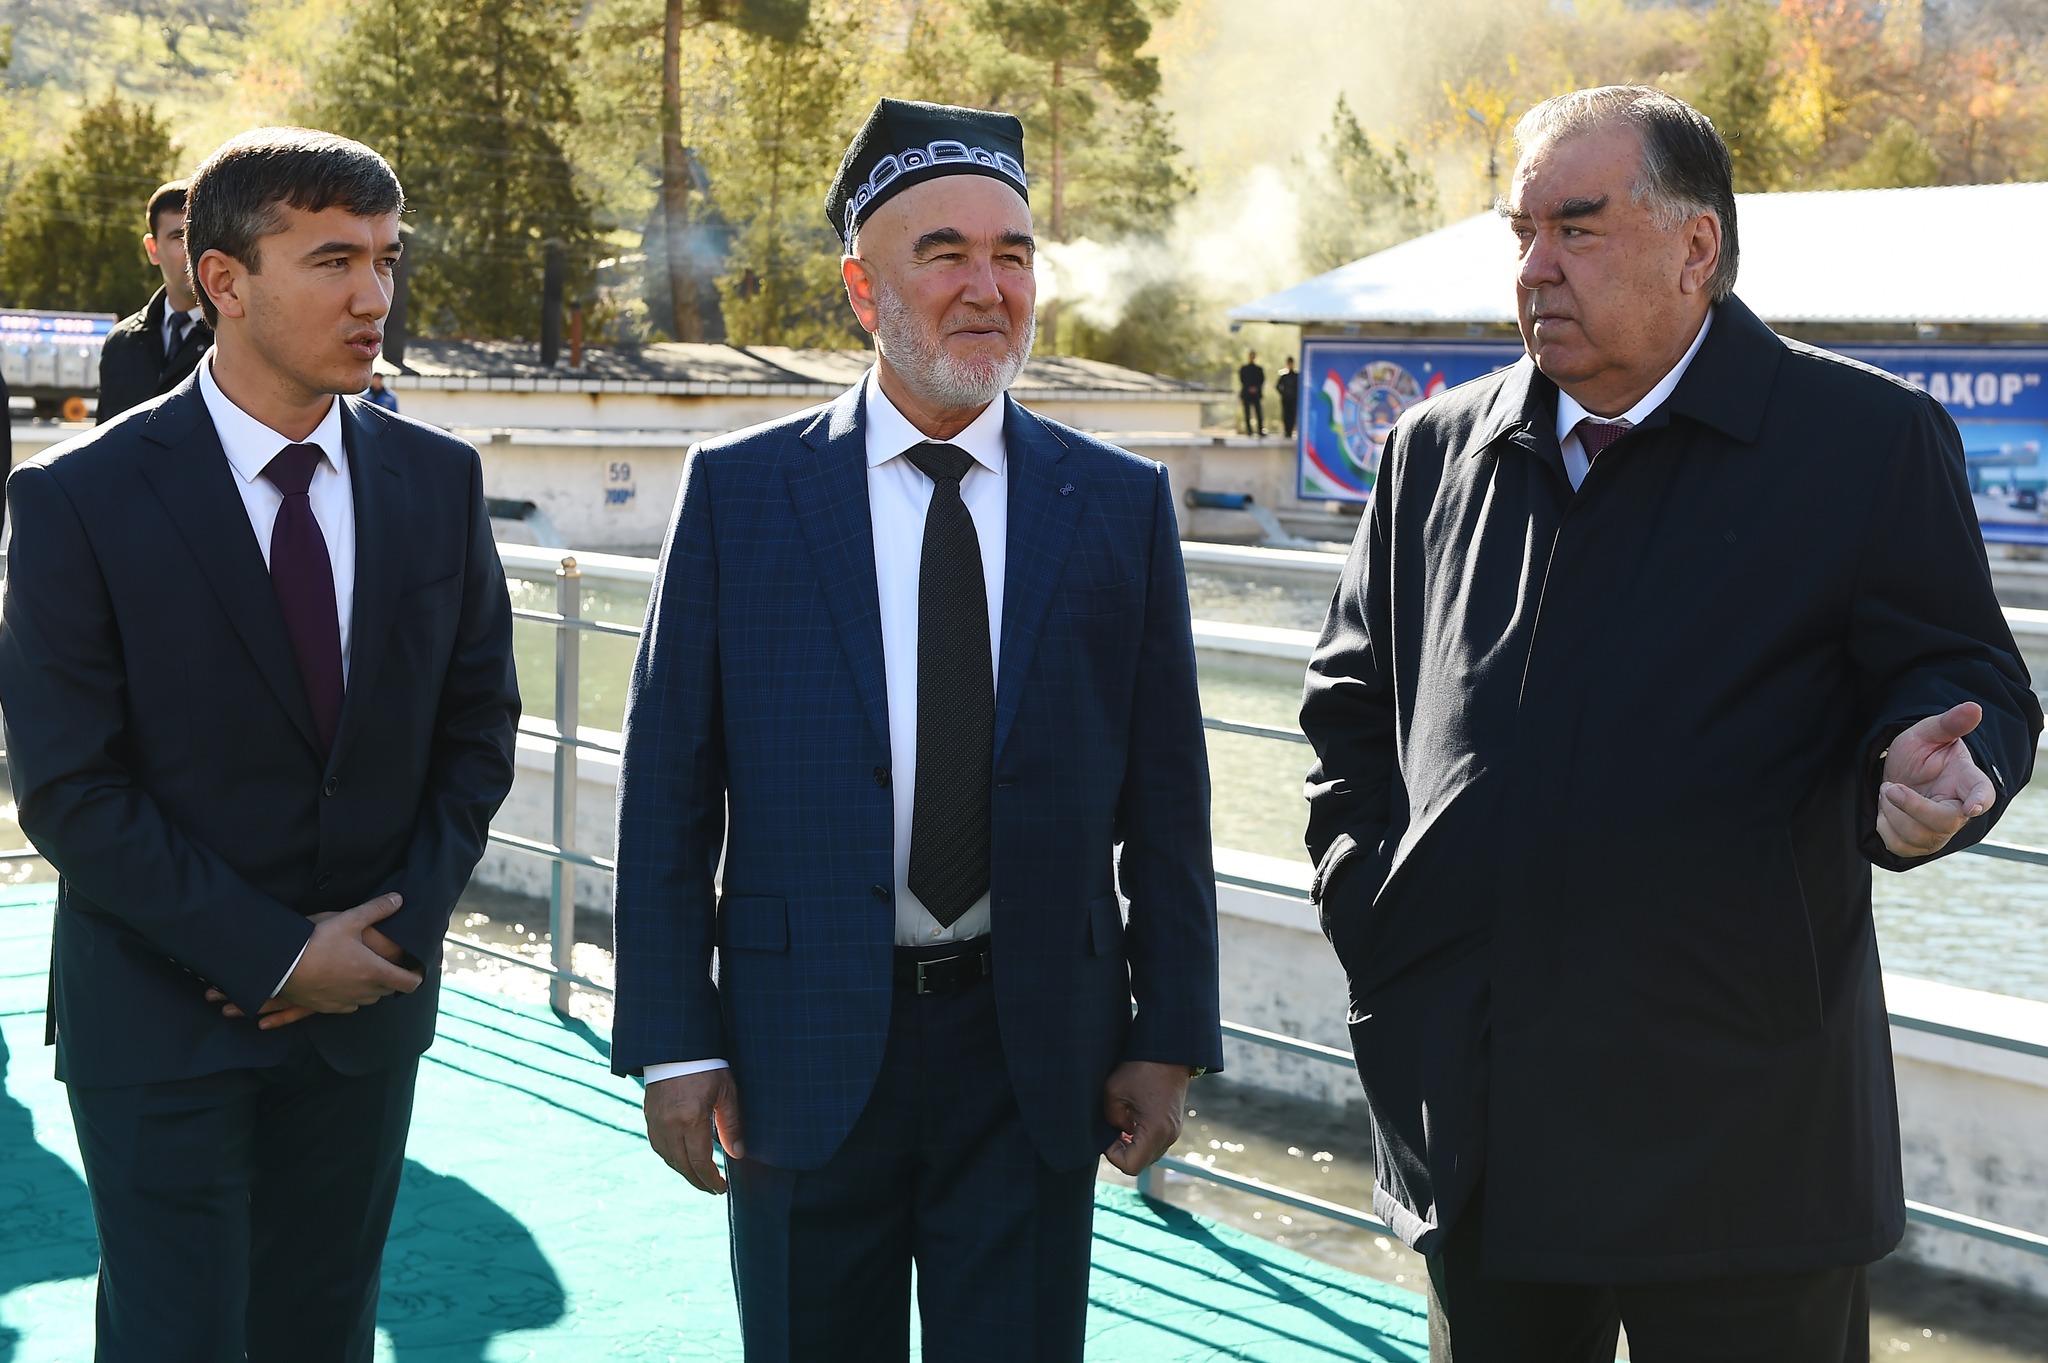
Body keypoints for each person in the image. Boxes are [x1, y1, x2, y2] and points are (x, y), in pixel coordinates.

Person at [1299, 85, 2040, 1363]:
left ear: (1695, 248)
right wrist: (1378, 921)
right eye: (1521, 232)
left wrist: (1938, 771)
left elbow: (1961, 673)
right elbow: (1349, 716)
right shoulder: (1431, 451)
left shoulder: (1861, 440)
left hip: (1742, 1139)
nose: (1533, 269)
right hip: (1480, 1124)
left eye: (1576, 229)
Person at [613, 97, 1221, 1363]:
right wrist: (672, 1040)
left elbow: (1168, 799)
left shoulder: (1115, 506)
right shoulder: (739, 494)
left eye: (1012, 255)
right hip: (795, 1045)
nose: (986, 287)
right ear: (861, 289)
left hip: (1033, 1051)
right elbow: (667, 789)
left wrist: (1167, 1033)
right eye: (944, 254)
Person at [0, 127, 520, 1362]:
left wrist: (386, 939)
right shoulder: (76, 497)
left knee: (321, 1336)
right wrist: (275, 953)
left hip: (366, 1017)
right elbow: (69, 786)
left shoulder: (438, 481)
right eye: (333, 260)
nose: (373, 297)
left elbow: (475, 733)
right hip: (157, 1024)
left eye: (386, 259)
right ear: (223, 281)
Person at [97, 180, 214, 424]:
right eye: (178, 236)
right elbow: (103, 436)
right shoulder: (122, 342)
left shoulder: (236, 342)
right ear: (153, 249)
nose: (192, 249)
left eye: (200, 235)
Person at [1238, 348, 1265, 436]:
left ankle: (1260, 429)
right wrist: (1249, 388)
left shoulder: (1259, 369)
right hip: (1246, 393)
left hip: (1256, 394)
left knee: (1258, 412)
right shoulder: (1244, 369)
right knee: (1247, 413)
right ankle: (1249, 430)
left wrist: (1256, 388)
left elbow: (1261, 380)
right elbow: (1242, 380)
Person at [1276, 355, 1300, 438]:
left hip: (1294, 398)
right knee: (1286, 414)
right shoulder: (1284, 375)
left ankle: (1291, 430)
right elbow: (1277, 386)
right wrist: (1283, 393)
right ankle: (1287, 430)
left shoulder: (1296, 375)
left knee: (1293, 414)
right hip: (1286, 398)